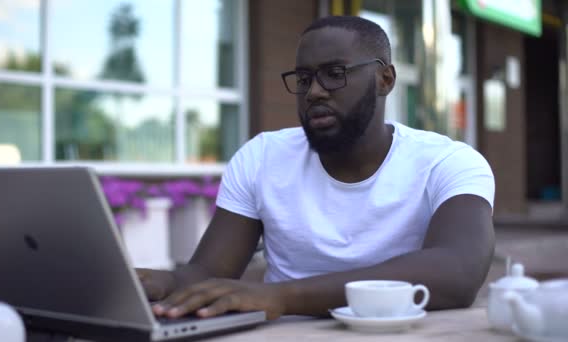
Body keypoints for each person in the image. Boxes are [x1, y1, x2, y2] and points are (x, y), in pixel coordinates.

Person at [137, 15, 495, 321]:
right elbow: (208, 274)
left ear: (385, 79)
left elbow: (458, 271)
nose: (314, 92)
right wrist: (164, 284)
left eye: (334, 73)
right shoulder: (262, 157)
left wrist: (283, 297)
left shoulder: (448, 162)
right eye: (304, 79)